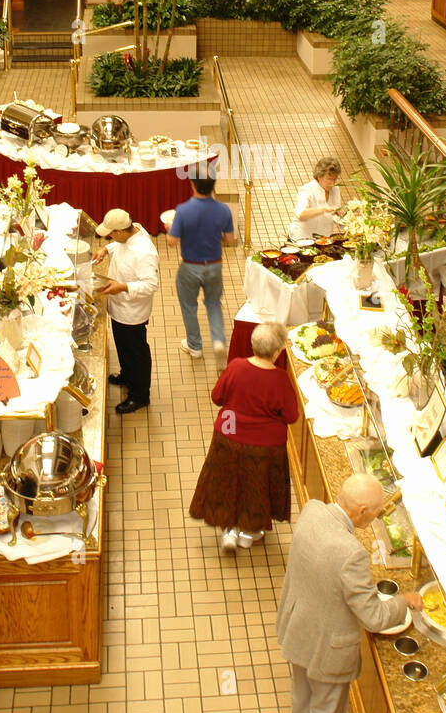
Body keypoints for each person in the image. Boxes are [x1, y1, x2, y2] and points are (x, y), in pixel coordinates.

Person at [276, 474, 423, 713]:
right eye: (373, 514)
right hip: (327, 645)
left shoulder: (312, 510)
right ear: (360, 510)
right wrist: (406, 601)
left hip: (298, 626)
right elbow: (372, 616)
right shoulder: (350, 553)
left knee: (301, 692)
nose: (374, 520)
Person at [189, 321, 299, 553]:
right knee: (256, 485)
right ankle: (249, 533)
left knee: (229, 480)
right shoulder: (280, 379)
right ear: (277, 351)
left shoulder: (236, 367)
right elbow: (291, 416)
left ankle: (228, 529)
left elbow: (217, 397)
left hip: (228, 436)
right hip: (265, 445)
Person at [92, 208, 160, 415]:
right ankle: (127, 375)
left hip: (132, 312)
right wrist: (106, 249)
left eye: (112, 234)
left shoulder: (144, 252)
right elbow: (120, 246)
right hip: (119, 306)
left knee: (135, 352)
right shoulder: (133, 230)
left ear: (121, 231)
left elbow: (151, 285)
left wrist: (122, 287)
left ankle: (140, 395)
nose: (111, 237)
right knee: (122, 345)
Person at [167, 171, 235, 361]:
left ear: (193, 185)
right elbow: (229, 239)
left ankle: (195, 346)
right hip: (214, 265)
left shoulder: (183, 210)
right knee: (213, 303)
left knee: (189, 306)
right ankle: (218, 340)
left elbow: (172, 241)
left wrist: (169, 229)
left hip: (190, 267)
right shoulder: (223, 210)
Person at [286, 156, 342, 242]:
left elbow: (336, 215)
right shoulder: (307, 189)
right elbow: (301, 214)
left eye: (335, 179)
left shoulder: (336, 189)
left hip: (324, 240)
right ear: (319, 176)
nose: (332, 183)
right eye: (329, 179)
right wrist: (324, 209)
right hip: (301, 239)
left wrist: (348, 218)